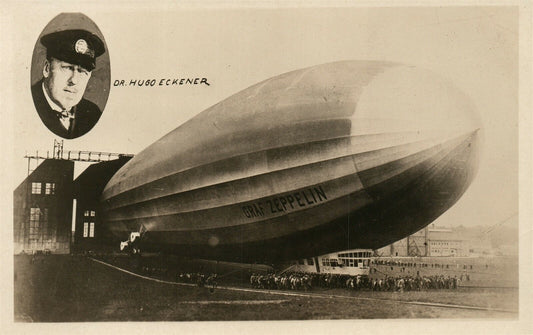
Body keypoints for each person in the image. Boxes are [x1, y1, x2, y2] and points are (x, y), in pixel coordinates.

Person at [31, 29, 105, 139]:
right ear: (47, 68)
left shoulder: (92, 114)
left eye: (82, 72)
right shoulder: (27, 103)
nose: (74, 80)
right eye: (67, 68)